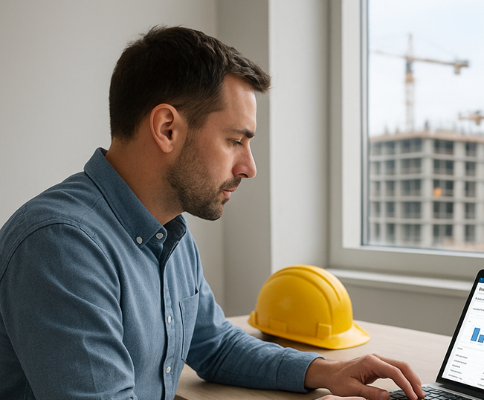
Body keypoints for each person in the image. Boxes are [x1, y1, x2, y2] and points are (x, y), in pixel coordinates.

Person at [0, 26, 424, 400]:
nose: (249, 167)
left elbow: (216, 345)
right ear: (167, 129)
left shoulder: (168, 233)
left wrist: (327, 371)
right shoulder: (60, 245)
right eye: (235, 140)